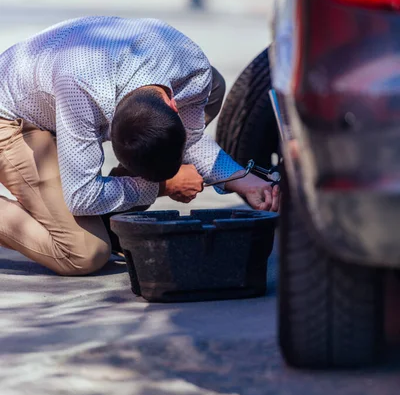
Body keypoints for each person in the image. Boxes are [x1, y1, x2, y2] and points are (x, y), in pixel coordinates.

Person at [0, 16, 279, 276]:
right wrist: (163, 186)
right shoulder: (82, 92)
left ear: (172, 103)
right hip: (13, 118)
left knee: (214, 86)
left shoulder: (192, 68)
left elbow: (190, 140)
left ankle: (106, 217)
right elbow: (80, 195)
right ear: (108, 121)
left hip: (62, 93)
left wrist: (245, 180)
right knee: (84, 252)